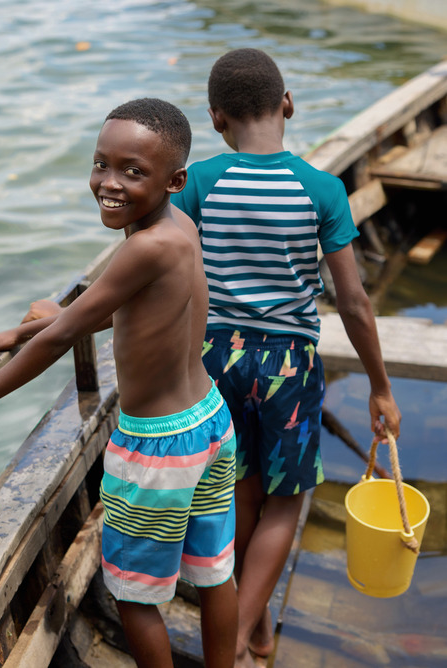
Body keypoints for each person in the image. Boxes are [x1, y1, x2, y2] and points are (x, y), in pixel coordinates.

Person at [0, 98, 238, 668]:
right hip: (208, 422)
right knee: (214, 574)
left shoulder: (144, 247)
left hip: (158, 447)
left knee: (132, 595)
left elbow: (64, 337)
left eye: (133, 172)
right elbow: (119, 309)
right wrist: (25, 329)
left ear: (175, 179)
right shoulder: (177, 227)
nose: (109, 183)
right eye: (101, 163)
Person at [170, 49, 402, 667]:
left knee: (238, 494)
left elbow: (162, 265)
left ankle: (256, 629)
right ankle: (237, 640)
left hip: (214, 358)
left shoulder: (198, 181)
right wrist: (380, 386)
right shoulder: (321, 190)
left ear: (217, 119)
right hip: (288, 366)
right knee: (284, 502)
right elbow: (352, 301)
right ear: (288, 104)